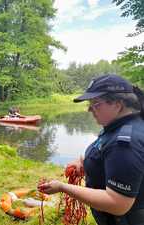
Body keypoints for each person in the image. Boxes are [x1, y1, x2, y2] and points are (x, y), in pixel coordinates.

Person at [38, 74, 144, 225]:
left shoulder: (126, 143)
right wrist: (83, 161)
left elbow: (118, 204)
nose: (89, 109)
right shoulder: (117, 126)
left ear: (117, 104)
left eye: (95, 103)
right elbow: (103, 149)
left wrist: (63, 187)